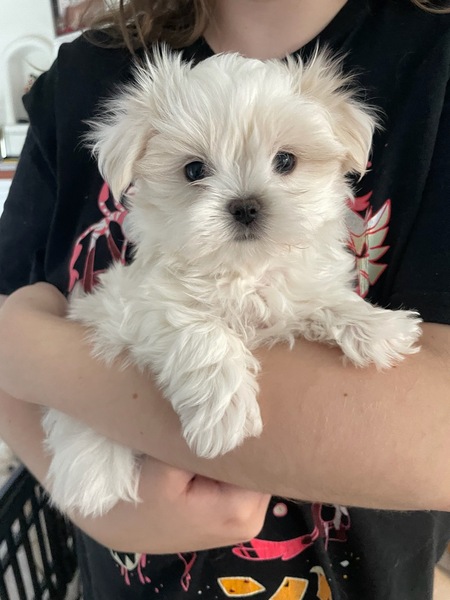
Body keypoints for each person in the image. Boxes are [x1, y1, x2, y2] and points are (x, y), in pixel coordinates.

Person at [0, 0, 449, 598]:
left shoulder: (434, 61)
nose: (245, 197)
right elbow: (120, 315)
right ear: (137, 173)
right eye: (195, 171)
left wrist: (32, 350)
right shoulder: (80, 77)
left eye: (284, 162)